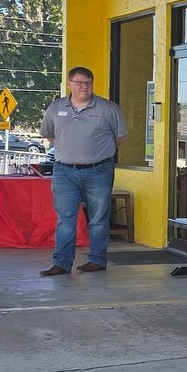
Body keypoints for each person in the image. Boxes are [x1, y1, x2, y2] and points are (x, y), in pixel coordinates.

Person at [39, 66, 127, 277]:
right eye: (79, 82)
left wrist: (96, 152)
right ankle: (61, 264)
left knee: (98, 218)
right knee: (65, 219)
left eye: (87, 82)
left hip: (98, 171)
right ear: (69, 84)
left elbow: (121, 137)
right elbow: (49, 134)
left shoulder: (108, 108)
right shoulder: (56, 107)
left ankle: (97, 260)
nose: (84, 86)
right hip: (64, 172)